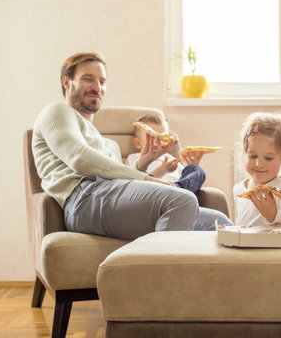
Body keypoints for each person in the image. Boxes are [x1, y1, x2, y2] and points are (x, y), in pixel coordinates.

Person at [32, 51, 231, 240]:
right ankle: (156, 275)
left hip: (112, 198)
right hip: (83, 198)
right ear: (66, 82)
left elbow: (120, 184)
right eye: (87, 79)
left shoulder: (109, 145)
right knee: (182, 199)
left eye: (102, 81)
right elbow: (79, 158)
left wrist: (142, 164)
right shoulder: (57, 112)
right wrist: (145, 178)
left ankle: (182, 272)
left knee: (218, 223)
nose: (97, 87)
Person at [233, 112, 281, 226]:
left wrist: (274, 216)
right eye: (253, 156)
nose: (259, 164)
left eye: (268, 158)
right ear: (245, 153)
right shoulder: (239, 189)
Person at [126, 114, 206, 193]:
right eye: (153, 137)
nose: (159, 142)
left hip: (178, 189)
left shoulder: (170, 158)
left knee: (197, 170)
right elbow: (136, 186)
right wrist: (162, 170)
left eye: (163, 137)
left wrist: (192, 166)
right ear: (138, 143)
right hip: (155, 192)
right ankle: (177, 191)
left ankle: (178, 190)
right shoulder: (134, 158)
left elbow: (186, 179)